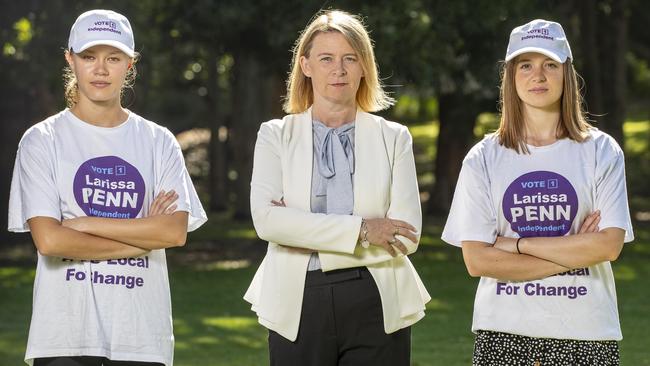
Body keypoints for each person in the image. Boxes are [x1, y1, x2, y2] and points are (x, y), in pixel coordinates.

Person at [8, 9, 207, 366]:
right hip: (64, 337)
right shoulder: (42, 140)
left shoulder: (158, 141)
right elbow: (51, 241)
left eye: (113, 58)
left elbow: (174, 231)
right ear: (71, 59)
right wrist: (141, 239)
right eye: (88, 56)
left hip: (140, 338)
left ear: (130, 64)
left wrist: (83, 223)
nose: (100, 69)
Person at [442, 19, 634, 365]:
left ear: (566, 74)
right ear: (511, 77)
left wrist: (516, 246)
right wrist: (575, 250)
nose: (538, 76)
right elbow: (478, 260)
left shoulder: (601, 151)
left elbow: (608, 245)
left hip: (586, 332)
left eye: (550, 65)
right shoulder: (483, 158)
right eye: (525, 65)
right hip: (504, 332)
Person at [244, 9, 430, 366]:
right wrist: (363, 229)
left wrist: (300, 227)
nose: (339, 70)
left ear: (365, 67)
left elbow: (406, 236)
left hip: (377, 296)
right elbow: (268, 222)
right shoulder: (275, 136)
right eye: (326, 58)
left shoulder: (394, 138)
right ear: (306, 65)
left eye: (350, 58)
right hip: (297, 297)